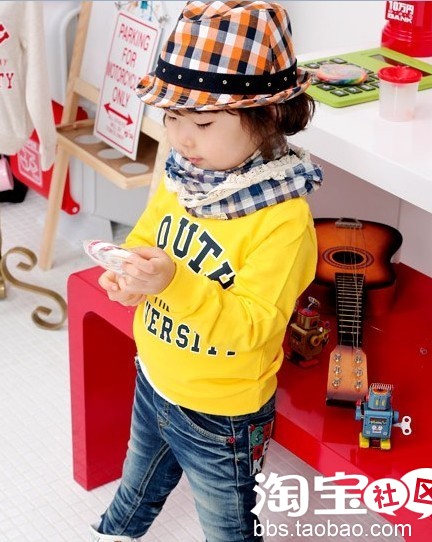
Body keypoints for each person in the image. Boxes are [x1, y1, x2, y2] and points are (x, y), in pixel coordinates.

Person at [90, 2, 323, 541]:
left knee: (228, 527)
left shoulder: (283, 220)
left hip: (222, 416)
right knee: (134, 487)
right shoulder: (185, 176)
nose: (182, 139)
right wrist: (127, 272)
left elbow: (254, 326)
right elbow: (147, 236)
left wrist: (173, 284)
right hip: (154, 378)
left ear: (268, 118)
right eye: (172, 118)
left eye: (201, 122)